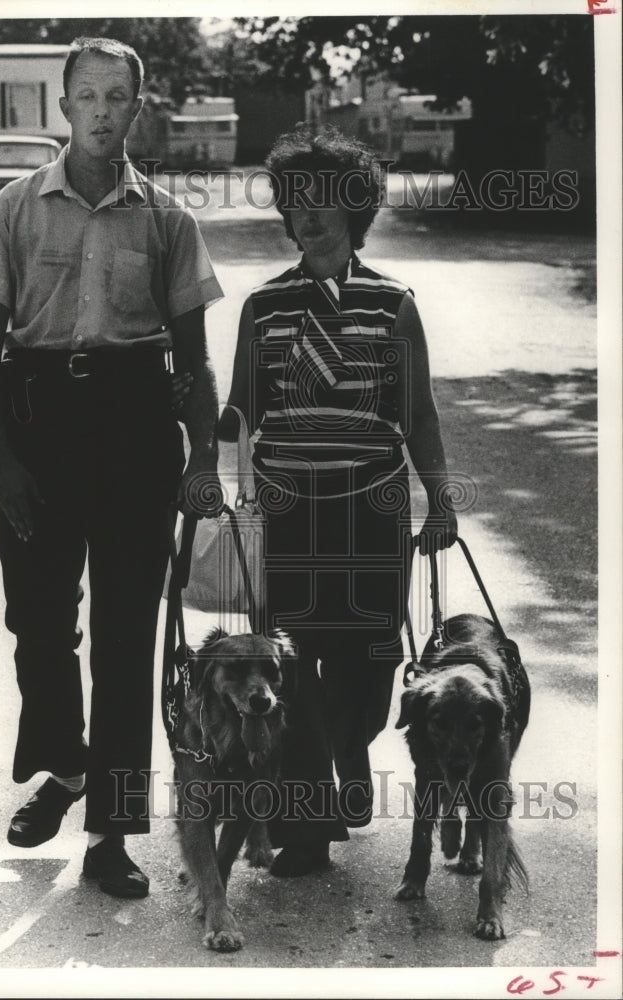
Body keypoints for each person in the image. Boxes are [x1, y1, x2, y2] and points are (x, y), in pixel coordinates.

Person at [0, 37, 223, 899]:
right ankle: (66, 767)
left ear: (137, 109)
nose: (104, 112)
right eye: (89, 97)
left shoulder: (167, 219)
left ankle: (111, 833)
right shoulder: (14, 209)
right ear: (64, 106)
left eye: (120, 97)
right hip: (39, 426)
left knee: (122, 639)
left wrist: (200, 460)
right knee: (39, 623)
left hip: (136, 432)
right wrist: (3, 465)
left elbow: (193, 359)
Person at [218, 127, 458, 876]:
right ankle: (309, 824)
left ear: (353, 206)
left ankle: (349, 748)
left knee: (368, 662)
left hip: (371, 510)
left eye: (319, 199)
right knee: (290, 666)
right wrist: (195, 457)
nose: (304, 212)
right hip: (290, 514)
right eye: (292, 200)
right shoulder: (264, 306)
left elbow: (416, 414)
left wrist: (439, 501)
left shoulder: (392, 305)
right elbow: (237, 411)